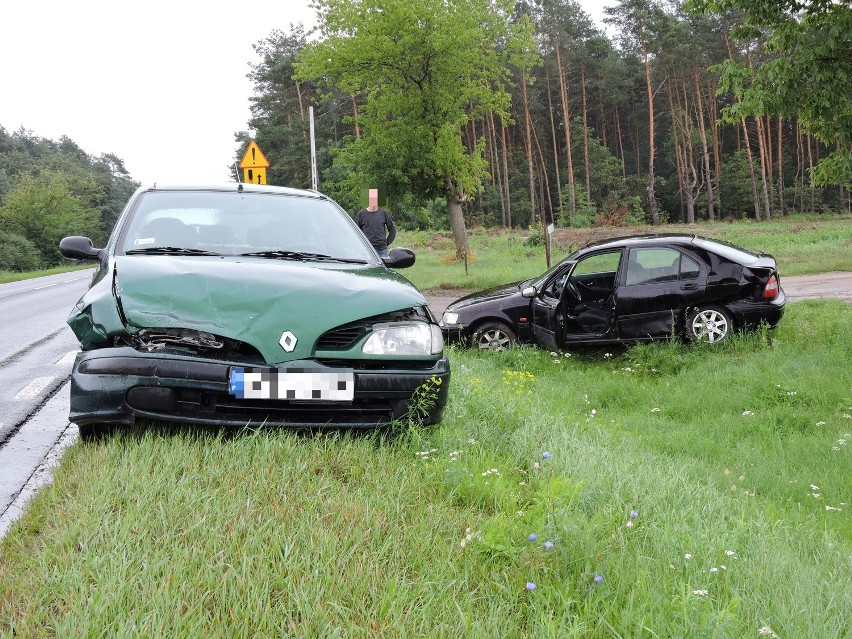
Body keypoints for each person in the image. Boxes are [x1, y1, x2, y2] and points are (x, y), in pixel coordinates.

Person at [355, 188, 396, 258]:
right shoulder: (361, 214)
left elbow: (392, 229)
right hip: (367, 250)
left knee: (382, 268)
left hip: (382, 250)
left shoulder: (383, 213)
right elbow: (355, 232)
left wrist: (387, 243)